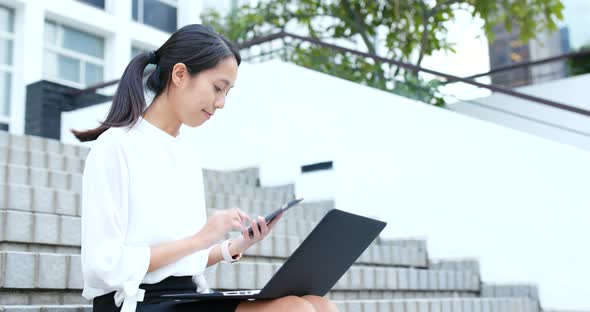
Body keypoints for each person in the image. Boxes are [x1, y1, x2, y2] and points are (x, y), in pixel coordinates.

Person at [71, 24, 339, 312]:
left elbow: (181, 259)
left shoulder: (184, 152)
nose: (221, 103)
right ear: (180, 75)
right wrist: (201, 238)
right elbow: (104, 266)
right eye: (217, 88)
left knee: (320, 304)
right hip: (135, 302)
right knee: (295, 310)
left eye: (227, 92)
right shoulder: (115, 147)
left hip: (184, 297)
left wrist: (234, 247)